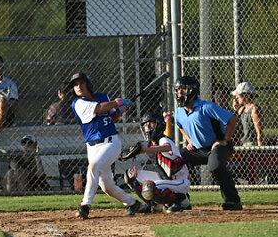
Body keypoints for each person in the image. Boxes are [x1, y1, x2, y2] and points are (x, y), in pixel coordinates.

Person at [69, 72, 147, 219]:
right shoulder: (78, 103)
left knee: (94, 167)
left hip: (111, 143)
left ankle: (85, 206)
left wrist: (119, 111)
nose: (78, 87)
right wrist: (118, 102)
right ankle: (134, 204)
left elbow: (111, 117)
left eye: (81, 83)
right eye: (75, 85)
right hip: (92, 147)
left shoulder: (103, 96)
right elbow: (99, 108)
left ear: (88, 84)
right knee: (107, 186)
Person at [174, 75, 242, 211]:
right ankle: (181, 200)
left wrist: (225, 139)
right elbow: (180, 126)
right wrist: (189, 141)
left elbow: (232, 119)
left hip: (218, 145)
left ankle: (233, 201)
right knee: (176, 161)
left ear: (192, 91)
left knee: (215, 166)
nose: (179, 93)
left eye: (183, 89)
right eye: (177, 90)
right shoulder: (179, 112)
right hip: (198, 149)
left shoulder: (207, 107)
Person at [123, 112, 191, 213]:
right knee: (130, 174)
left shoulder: (164, 139)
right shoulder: (150, 144)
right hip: (165, 178)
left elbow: (167, 147)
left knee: (149, 187)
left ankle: (182, 200)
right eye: (145, 125)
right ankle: (152, 205)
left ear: (159, 125)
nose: (147, 127)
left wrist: (145, 150)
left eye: (151, 124)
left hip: (179, 181)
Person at [231, 81, 264, 146]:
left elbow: (259, 131)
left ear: (247, 96)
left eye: (239, 95)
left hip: (252, 143)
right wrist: (235, 108)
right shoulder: (242, 109)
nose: (236, 97)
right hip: (244, 143)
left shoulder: (254, 109)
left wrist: (260, 147)